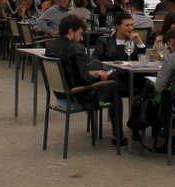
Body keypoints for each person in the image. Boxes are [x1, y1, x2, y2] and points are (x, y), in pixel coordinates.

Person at [44, 14, 125, 149]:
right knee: (114, 88)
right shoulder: (76, 48)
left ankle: (104, 72)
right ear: (70, 31)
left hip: (61, 92)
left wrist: (93, 72)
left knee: (95, 63)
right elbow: (85, 80)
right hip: (77, 95)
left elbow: (69, 68)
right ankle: (119, 137)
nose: (81, 38)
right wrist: (99, 77)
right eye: (80, 34)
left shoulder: (50, 46)